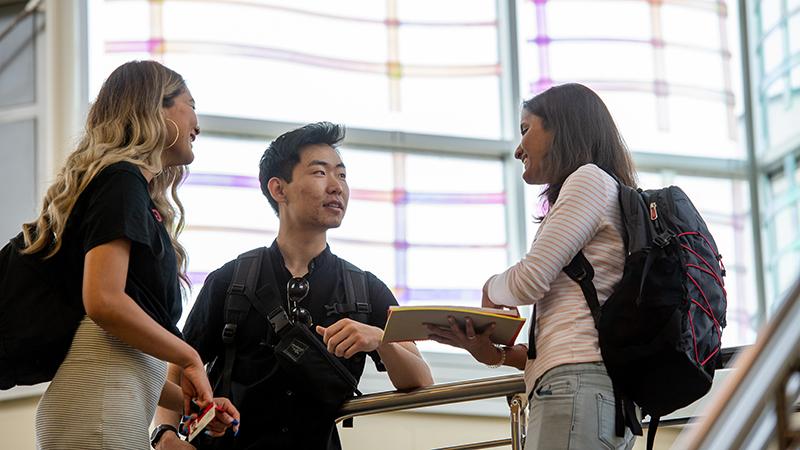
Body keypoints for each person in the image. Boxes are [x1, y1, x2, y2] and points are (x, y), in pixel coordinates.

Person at [153, 122, 433, 450]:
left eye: (342, 175)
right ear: (278, 189)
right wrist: (165, 436)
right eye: (320, 173)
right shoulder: (230, 281)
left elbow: (421, 380)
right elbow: (179, 370)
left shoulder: (365, 289)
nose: (337, 187)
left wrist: (380, 340)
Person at [28, 60, 239, 450]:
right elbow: (103, 302)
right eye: (190, 104)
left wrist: (189, 403)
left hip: (108, 401)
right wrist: (190, 357)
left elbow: (125, 350)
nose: (198, 123)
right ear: (157, 108)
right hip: (99, 406)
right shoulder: (121, 180)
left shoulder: (132, 192)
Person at [428, 83, 638, 449]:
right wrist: (494, 354)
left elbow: (529, 280)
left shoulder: (588, 180)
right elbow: (572, 335)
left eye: (526, 129)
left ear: (562, 127)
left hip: (578, 390)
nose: (517, 149)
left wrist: (489, 289)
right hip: (587, 392)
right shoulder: (604, 190)